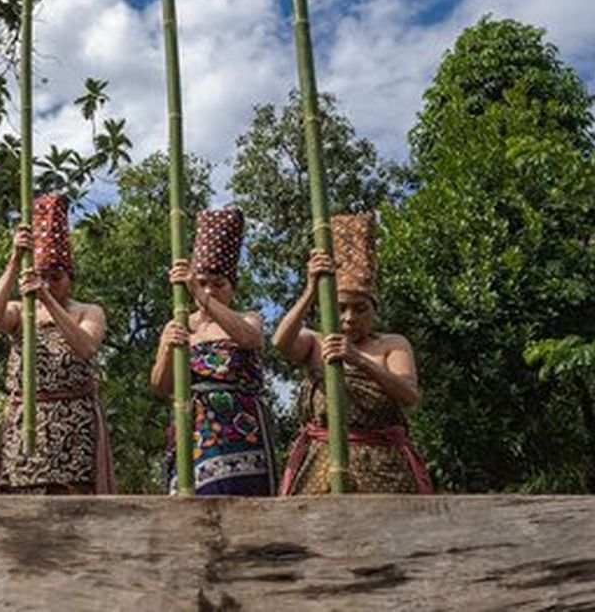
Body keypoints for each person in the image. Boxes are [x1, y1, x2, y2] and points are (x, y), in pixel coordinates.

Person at [272, 214, 432, 494]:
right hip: (323, 463)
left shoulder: (392, 344)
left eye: (360, 309)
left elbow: (409, 395)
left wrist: (359, 360)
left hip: (383, 466)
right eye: (341, 307)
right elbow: (280, 342)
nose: (349, 318)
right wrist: (311, 289)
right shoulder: (315, 342)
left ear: (374, 309)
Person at [0, 194, 114, 495]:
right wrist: (14, 261)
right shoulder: (19, 312)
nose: (49, 283)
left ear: (70, 277)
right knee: (21, 500)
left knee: (72, 501)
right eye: (43, 276)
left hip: (74, 424)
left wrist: (48, 300)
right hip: (24, 422)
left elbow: (86, 347)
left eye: (56, 277)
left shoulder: (87, 311)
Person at [150, 209, 274, 495]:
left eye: (218, 285)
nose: (210, 290)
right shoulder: (178, 323)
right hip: (192, 430)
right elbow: (160, 385)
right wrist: (169, 348)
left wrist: (202, 296)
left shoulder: (247, 319)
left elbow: (249, 338)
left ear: (232, 287)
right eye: (203, 283)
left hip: (242, 431)